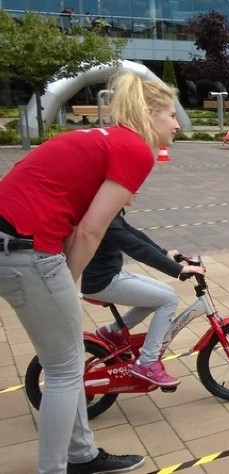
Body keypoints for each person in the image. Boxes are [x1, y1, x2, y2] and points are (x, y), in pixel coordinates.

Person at [0, 70, 180, 473]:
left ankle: (81, 454)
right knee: (65, 370)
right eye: (170, 114)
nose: (176, 124)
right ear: (149, 114)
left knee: (67, 360)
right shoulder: (134, 149)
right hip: (27, 251)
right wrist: (69, 278)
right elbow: (91, 230)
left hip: (12, 244)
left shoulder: (104, 139)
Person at [81, 193, 205, 388]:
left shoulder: (109, 212)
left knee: (166, 292)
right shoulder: (105, 218)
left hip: (110, 274)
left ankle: (113, 332)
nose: (137, 191)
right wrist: (179, 270)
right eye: (132, 186)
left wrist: (164, 253)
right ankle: (146, 363)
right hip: (102, 282)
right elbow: (137, 248)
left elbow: (134, 235)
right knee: (167, 300)